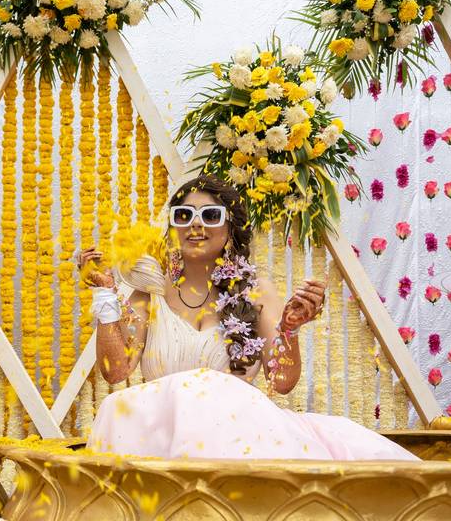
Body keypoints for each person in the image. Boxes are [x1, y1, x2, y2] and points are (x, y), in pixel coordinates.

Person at [78, 174, 418, 461]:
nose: (195, 224)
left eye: (210, 215)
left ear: (230, 228)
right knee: (115, 406)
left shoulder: (257, 291)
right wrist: (106, 295)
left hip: (238, 438)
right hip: (161, 441)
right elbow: (116, 371)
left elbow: (282, 383)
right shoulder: (149, 293)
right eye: (183, 215)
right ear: (173, 227)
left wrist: (289, 328)